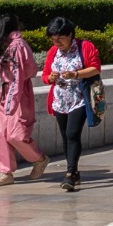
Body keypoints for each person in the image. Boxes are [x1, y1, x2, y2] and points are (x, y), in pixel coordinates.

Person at [0, 16, 47, 186]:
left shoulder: (17, 46)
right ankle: (6, 172)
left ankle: (39, 158)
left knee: (15, 134)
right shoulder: (9, 46)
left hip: (18, 95)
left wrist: (11, 104)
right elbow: (0, 70)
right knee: (3, 134)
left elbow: (17, 78)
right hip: (8, 93)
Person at [39, 18, 102, 192]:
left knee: (72, 133)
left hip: (79, 97)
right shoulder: (53, 51)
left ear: (70, 35)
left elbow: (95, 68)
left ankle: (70, 173)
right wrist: (50, 78)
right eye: (53, 39)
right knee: (65, 136)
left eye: (60, 39)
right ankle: (73, 170)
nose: (57, 43)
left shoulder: (85, 47)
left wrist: (76, 74)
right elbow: (45, 75)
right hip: (60, 100)